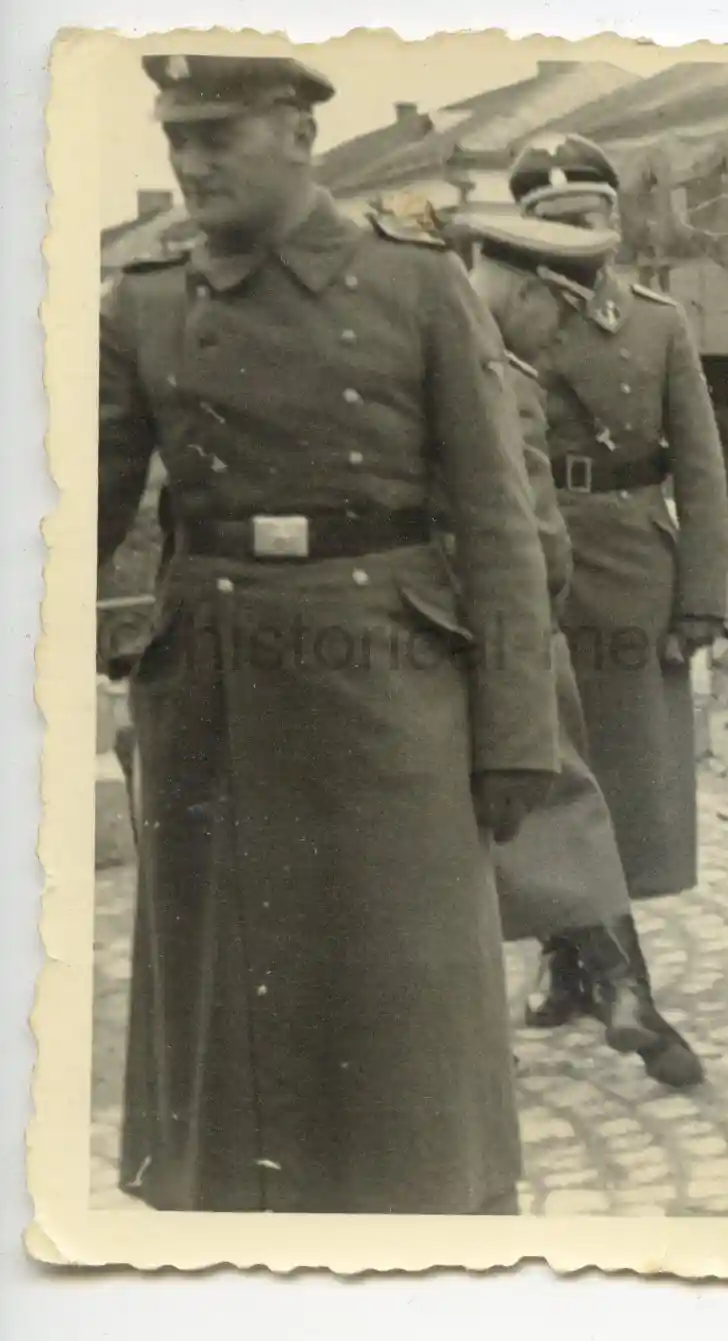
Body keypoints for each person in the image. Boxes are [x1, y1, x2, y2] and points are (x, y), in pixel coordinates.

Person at [100, 54, 558, 1213]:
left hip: (386, 683)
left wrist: (515, 733)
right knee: (229, 987)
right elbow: (70, 525)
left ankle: (429, 1223)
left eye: (219, 136)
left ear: (300, 133)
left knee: (401, 983)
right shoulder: (146, 300)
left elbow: (498, 522)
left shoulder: (414, 286)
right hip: (212, 689)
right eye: (176, 140)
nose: (192, 162)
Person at [451, 212, 708, 1090]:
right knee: (552, 793)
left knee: (540, 796)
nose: (562, 337)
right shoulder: (482, 366)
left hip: (440, 614)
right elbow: (527, 523)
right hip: (495, 618)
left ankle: (610, 985)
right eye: (556, 316)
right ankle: (621, 989)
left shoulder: (457, 346)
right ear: (526, 291)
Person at [498, 134, 728, 1026]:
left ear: (615, 224)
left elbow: (702, 467)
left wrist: (701, 597)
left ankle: (592, 961)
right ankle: (578, 963)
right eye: (552, 224)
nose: (574, 240)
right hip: (528, 559)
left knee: (626, 772)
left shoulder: (657, 322)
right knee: (543, 762)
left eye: (588, 220)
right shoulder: (493, 324)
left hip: (631, 561)